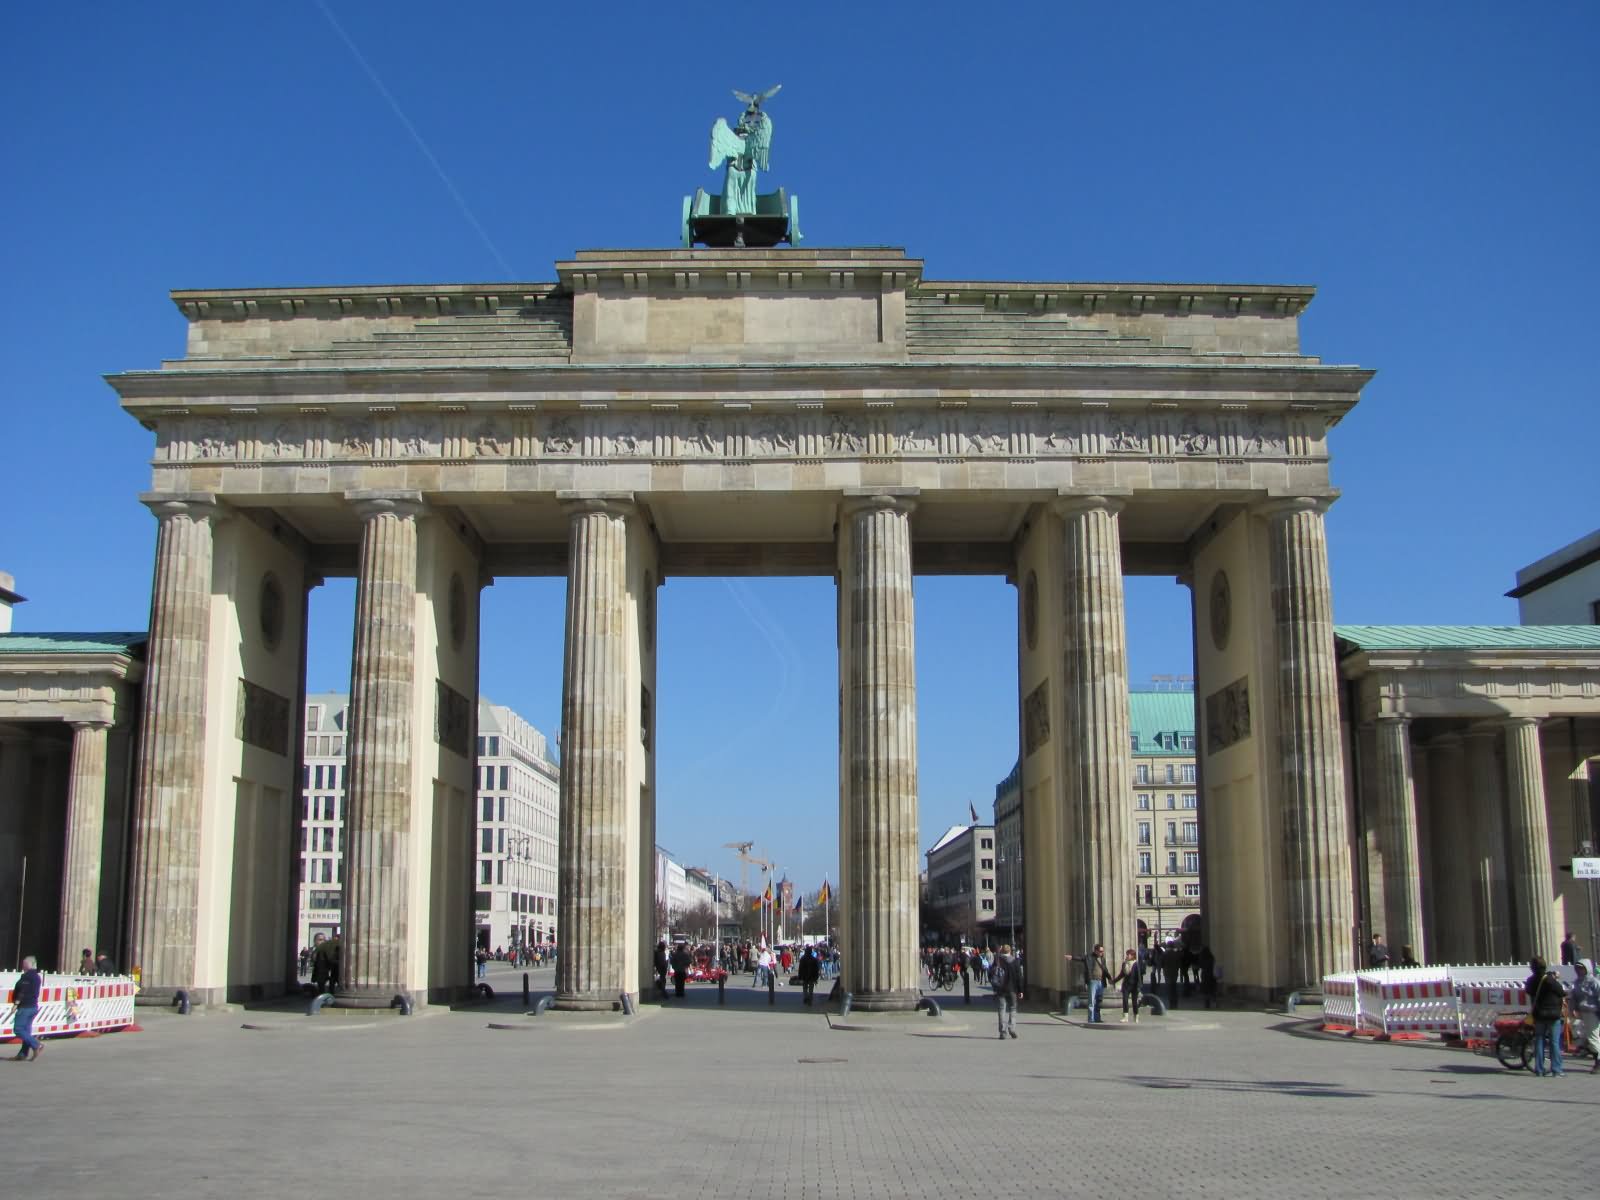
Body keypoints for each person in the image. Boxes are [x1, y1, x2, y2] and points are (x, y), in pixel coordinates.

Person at [1525, 956, 1567, 1078]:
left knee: (1539, 1040)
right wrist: (1554, 978)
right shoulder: (1549, 980)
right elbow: (1561, 991)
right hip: (1553, 1015)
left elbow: (1529, 991)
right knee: (1554, 1042)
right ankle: (1556, 1069)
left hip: (1538, 1014)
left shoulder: (1531, 980)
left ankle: (1539, 1069)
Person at [1568, 959, 1600, 1071]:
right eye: (1578, 968)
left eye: (1581, 968)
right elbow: (1573, 997)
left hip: (1592, 1012)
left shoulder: (1594, 982)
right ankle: (1588, 1051)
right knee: (1581, 1034)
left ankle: (1598, 1061)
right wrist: (1571, 1009)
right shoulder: (1577, 982)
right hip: (1581, 1012)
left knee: (1593, 1037)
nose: (1579, 970)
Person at [10, 955, 44, 1061]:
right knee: (26, 1030)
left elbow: (23, 991)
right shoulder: (37, 976)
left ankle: (36, 1044)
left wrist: (16, 1004)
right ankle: (23, 1054)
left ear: (28, 964)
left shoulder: (27, 976)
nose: (22, 965)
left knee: (18, 1029)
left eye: (24, 963)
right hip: (33, 1006)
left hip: (25, 1006)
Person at [991, 943, 1024, 1040]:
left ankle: (1002, 1032)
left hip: (1001, 989)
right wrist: (1021, 990)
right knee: (1013, 1008)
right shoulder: (1015, 961)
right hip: (1012, 989)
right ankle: (1011, 1028)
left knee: (1001, 1009)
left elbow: (992, 973)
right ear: (1010, 951)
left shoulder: (998, 961)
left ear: (1002, 951)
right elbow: (1019, 977)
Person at [1079, 944, 1112, 1023]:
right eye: (1100, 951)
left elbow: (1105, 969)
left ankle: (1097, 1018)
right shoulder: (1090, 957)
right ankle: (1091, 1019)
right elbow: (1081, 958)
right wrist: (1072, 957)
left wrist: (1109, 978)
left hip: (1101, 981)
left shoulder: (1102, 959)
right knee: (1091, 1001)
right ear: (1096, 951)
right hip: (1093, 981)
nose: (1102, 952)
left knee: (1099, 1001)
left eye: (1102, 951)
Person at [1114, 948, 1144, 1023]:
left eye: (1129, 954)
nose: (1127, 955)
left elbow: (1139, 976)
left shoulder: (1136, 964)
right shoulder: (1125, 963)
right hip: (1126, 985)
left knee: (1134, 1002)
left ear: (1133, 955)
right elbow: (1122, 974)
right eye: (1127, 954)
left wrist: (1139, 986)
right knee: (1125, 1000)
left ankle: (1136, 1016)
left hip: (1134, 985)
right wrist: (1114, 981)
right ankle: (1125, 1017)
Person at [1198, 945, 1219, 1009]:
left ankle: (1207, 1004)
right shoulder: (1211, 957)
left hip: (1205, 975)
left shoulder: (1202, 957)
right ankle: (1215, 1002)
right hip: (1211, 975)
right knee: (1212, 990)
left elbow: (1200, 965)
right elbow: (1214, 964)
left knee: (1206, 990)